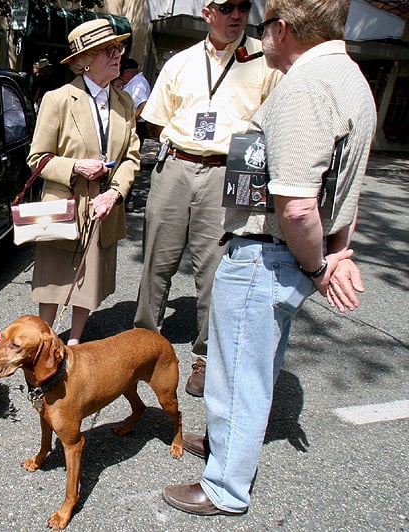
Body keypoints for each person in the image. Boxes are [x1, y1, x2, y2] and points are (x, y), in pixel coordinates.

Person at [162, 0, 376, 516]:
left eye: (264, 28)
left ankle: (224, 489)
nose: (259, 38)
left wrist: (319, 266)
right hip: (282, 256)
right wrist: (339, 249)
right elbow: (345, 187)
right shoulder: (351, 79)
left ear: (282, 30)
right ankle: (225, 447)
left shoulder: (305, 86)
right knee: (248, 366)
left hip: (267, 254)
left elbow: (300, 205)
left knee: (240, 373)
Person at [133, 0, 281, 397]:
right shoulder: (180, 62)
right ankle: (143, 345)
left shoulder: (264, 63)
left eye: (244, 7)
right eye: (228, 7)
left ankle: (205, 355)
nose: (237, 14)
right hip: (176, 165)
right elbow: (157, 120)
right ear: (207, 12)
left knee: (217, 269)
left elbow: (273, 126)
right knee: (155, 262)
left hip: (228, 170)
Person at [27, 18, 141, 345]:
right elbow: (38, 159)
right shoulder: (59, 99)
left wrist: (115, 194)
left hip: (102, 210)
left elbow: (132, 157)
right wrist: (76, 167)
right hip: (64, 208)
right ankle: (42, 344)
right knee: (51, 284)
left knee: (87, 286)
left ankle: (75, 342)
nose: (118, 53)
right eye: (108, 50)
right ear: (85, 60)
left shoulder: (124, 102)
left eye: (118, 47)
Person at [118, 58, 150, 143]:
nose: (121, 78)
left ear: (130, 73)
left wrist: (131, 122)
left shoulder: (137, 83)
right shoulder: (134, 82)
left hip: (135, 125)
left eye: (122, 75)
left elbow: (143, 105)